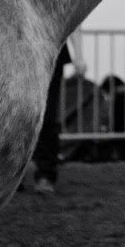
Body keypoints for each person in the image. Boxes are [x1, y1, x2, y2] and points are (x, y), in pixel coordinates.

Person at [30, 30, 86, 194]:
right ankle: (13, 175)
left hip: (49, 50)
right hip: (21, 49)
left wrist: (79, 55)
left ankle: (45, 173)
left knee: (47, 113)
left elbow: (73, 20)